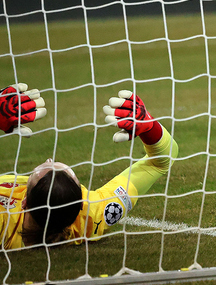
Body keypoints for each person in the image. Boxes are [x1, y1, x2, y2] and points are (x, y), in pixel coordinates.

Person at [1, 85, 177, 249]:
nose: (49, 158)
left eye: (44, 167)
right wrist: (149, 126)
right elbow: (161, 161)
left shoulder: (4, 225)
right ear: (80, 204)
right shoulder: (90, 215)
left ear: (24, 202)